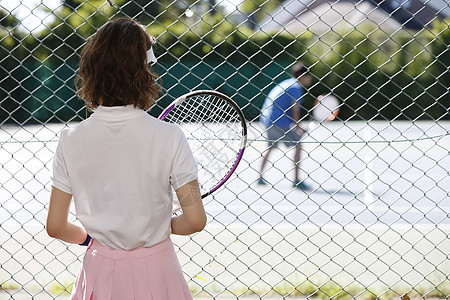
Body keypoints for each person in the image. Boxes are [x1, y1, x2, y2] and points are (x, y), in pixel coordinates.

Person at [46, 18, 206, 300]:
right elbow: (194, 220)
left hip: (99, 270)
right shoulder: (169, 136)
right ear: (145, 71)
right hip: (159, 271)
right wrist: (159, 223)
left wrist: (89, 239)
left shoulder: (70, 140)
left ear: (90, 71)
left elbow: (56, 226)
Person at [259, 62, 312, 190]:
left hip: (266, 119)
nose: (310, 79)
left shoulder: (286, 83)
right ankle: (296, 180)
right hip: (279, 121)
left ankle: (260, 177)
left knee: (270, 146)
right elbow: (295, 110)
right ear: (303, 75)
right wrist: (299, 128)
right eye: (309, 75)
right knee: (298, 145)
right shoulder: (296, 88)